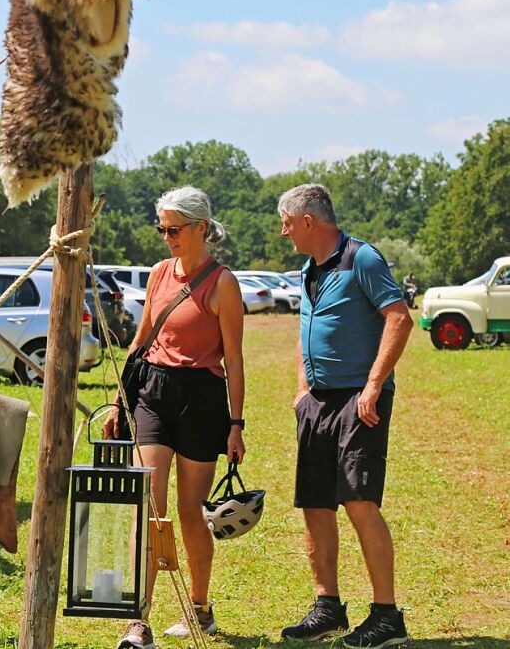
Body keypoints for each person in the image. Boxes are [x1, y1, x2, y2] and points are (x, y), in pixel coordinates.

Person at [103, 186, 246, 648]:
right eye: (161, 228)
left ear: (201, 228)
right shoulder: (160, 273)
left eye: (174, 229)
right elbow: (142, 338)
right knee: (148, 504)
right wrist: (117, 401)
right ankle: (137, 620)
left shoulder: (223, 283)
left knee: (189, 513)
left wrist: (236, 424)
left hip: (203, 397)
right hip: (153, 392)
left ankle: (199, 610)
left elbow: (235, 360)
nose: (166, 237)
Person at [277, 184, 413, 649]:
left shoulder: (363, 259)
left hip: (359, 401)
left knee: (359, 501)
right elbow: (304, 332)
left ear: (308, 221)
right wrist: (301, 391)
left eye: (287, 223)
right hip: (317, 402)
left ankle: (387, 616)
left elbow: (399, 317)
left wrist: (373, 386)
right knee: (316, 504)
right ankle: (328, 609)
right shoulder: (306, 270)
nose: (284, 232)